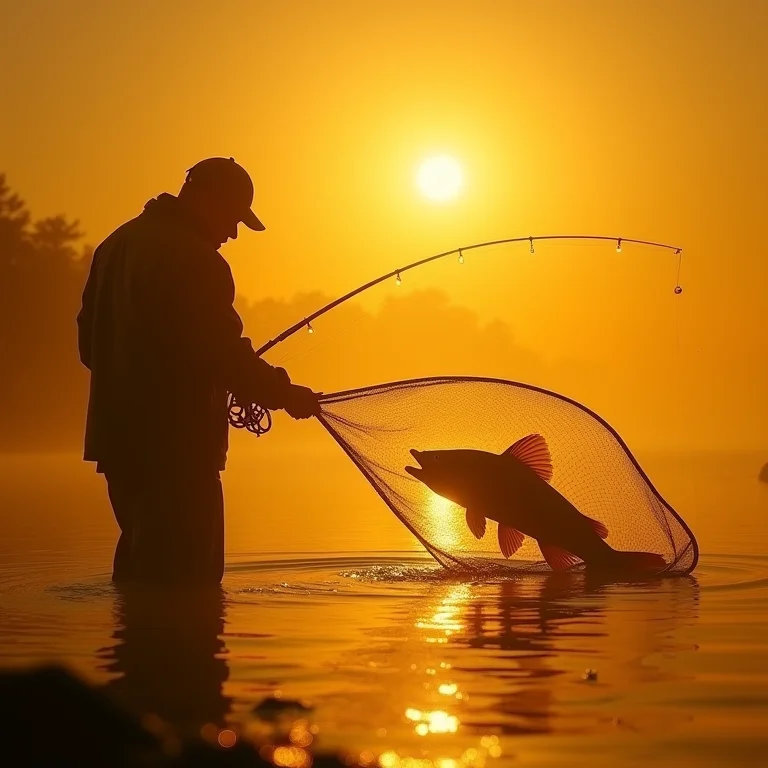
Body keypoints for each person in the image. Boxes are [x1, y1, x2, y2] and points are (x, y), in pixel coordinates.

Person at [77, 157, 320, 586]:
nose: (232, 232)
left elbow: (89, 348)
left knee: (141, 566)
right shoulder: (196, 259)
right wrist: (284, 392)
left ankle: (132, 648)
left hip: (119, 446)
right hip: (178, 451)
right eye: (233, 217)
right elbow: (221, 353)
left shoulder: (115, 245)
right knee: (187, 583)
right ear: (205, 199)